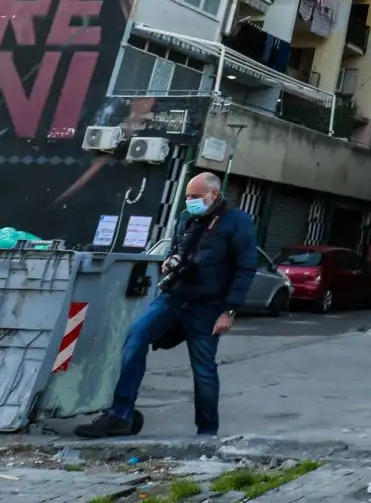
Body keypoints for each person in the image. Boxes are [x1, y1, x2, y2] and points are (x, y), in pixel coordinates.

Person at [75, 172, 257, 438]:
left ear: (214, 194)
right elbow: (176, 249)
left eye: (195, 197)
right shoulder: (187, 218)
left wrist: (229, 311)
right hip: (173, 297)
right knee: (135, 336)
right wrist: (170, 262)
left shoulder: (237, 221)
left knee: (204, 369)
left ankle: (207, 433)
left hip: (207, 306)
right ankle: (120, 415)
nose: (190, 201)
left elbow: (246, 267)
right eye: (187, 196)